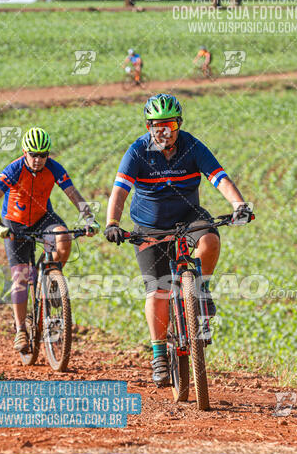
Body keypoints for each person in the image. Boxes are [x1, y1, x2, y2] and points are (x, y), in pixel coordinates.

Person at [104, 94, 253, 387]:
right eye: (157, 126)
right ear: (149, 126)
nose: (163, 132)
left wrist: (239, 205)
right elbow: (120, 191)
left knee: (209, 241)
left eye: (169, 125)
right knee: (157, 290)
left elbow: (218, 177)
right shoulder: (137, 151)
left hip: (188, 216)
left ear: (179, 125)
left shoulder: (192, 146)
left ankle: (201, 290)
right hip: (150, 226)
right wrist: (112, 223)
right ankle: (159, 353)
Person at [0, 127, 100, 353]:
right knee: (20, 278)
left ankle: (50, 278)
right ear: (25, 152)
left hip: (43, 217)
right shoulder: (14, 169)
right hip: (14, 223)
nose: (38, 160)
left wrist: (89, 218)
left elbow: (74, 194)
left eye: (43, 155)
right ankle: (20, 331)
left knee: (64, 238)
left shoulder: (54, 168)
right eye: (33, 155)